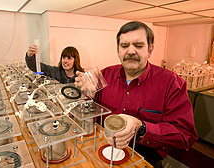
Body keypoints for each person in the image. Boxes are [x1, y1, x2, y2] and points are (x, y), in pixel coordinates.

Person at [75, 21, 198, 167]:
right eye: (124, 45)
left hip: (146, 160)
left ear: (150, 49)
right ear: (118, 50)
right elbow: (89, 118)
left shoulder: (171, 83)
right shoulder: (105, 74)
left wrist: (141, 127)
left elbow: (185, 136)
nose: (131, 51)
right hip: (103, 152)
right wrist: (90, 98)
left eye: (139, 45)